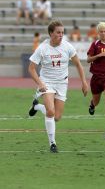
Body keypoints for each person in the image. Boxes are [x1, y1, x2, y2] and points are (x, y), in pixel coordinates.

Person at [28, 19, 88, 153]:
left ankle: (36, 106)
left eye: (62, 32)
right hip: (47, 83)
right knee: (50, 111)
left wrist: (84, 82)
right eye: (58, 32)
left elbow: (78, 64)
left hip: (62, 83)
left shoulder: (67, 47)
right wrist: (40, 83)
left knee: (57, 117)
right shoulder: (42, 48)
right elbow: (31, 68)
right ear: (50, 33)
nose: (61, 35)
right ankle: (52, 143)